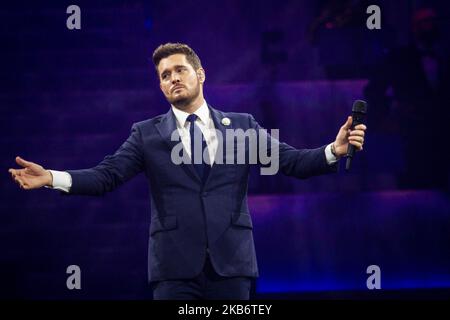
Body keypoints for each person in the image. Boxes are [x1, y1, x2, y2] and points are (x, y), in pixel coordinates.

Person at [8, 43, 366, 300]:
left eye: (180, 70)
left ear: (200, 74)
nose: (173, 78)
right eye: (165, 75)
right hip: (174, 270)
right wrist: (52, 177)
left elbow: (292, 162)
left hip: (232, 266)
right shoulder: (146, 134)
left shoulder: (241, 126)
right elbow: (107, 176)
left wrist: (333, 151)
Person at [364, 7, 450, 190]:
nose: (429, 27)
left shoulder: (444, 58)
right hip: (411, 134)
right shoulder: (399, 59)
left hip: (442, 133)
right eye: (423, 23)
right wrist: (390, 113)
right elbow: (374, 90)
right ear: (414, 28)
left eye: (432, 22)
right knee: (413, 182)